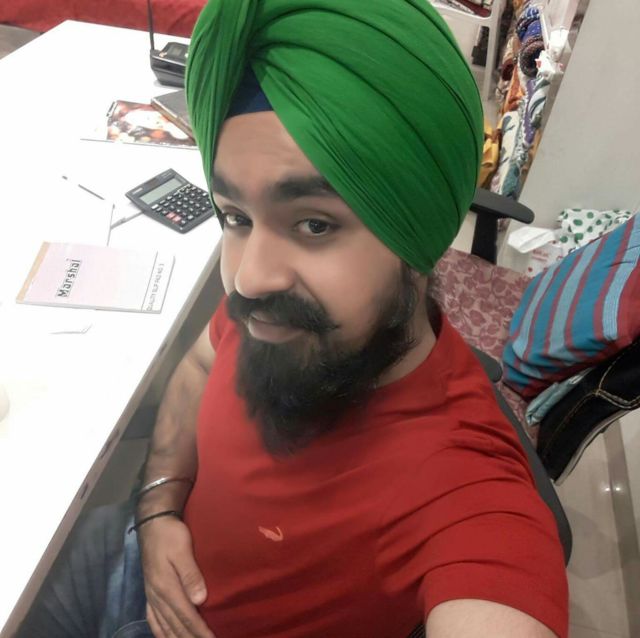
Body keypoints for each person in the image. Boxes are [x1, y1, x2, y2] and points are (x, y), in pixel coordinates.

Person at [18, 1, 568, 637]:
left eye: (313, 224)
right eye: (236, 216)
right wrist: (158, 504)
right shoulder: (282, 315)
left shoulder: (466, 487)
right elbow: (198, 365)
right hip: (130, 545)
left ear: (416, 239)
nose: (248, 278)